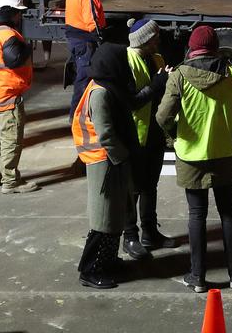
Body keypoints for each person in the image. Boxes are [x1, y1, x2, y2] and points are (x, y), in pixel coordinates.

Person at [156, 25, 232, 293]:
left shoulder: (179, 76)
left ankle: (197, 277)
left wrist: (178, 133)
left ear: (191, 48)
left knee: (197, 215)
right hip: (224, 152)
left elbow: (163, 117)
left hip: (191, 156)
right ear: (215, 47)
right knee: (228, 212)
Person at [73, 43, 141, 290]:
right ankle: (91, 271)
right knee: (103, 219)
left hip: (112, 160)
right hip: (105, 161)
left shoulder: (106, 87)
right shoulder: (100, 93)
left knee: (114, 216)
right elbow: (106, 133)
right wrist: (122, 156)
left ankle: (109, 261)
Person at [122, 18, 175, 260]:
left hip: (154, 131)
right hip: (134, 134)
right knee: (132, 189)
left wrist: (168, 82)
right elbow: (131, 101)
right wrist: (157, 85)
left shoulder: (157, 59)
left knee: (149, 186)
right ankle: (129, 237)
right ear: (144, 40)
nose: (159, 41)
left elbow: (160, 91)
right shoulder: (127, 61)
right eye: (155, 38)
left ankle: (150, 232)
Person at [0, 0, 38, 193]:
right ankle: (10, 181)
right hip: (7, 95)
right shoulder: (7, 34)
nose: (20, 16)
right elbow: (13, 60)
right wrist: (27, 49)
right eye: (18, 12)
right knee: (10, 139)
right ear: (12, 12)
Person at [66, 0, 108, 119]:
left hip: (77, 40)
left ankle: (77, 116)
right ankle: (76, 117)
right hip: (85, 41)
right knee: (84, 79)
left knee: (83, 77)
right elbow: (92, 21)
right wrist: (100, 40)